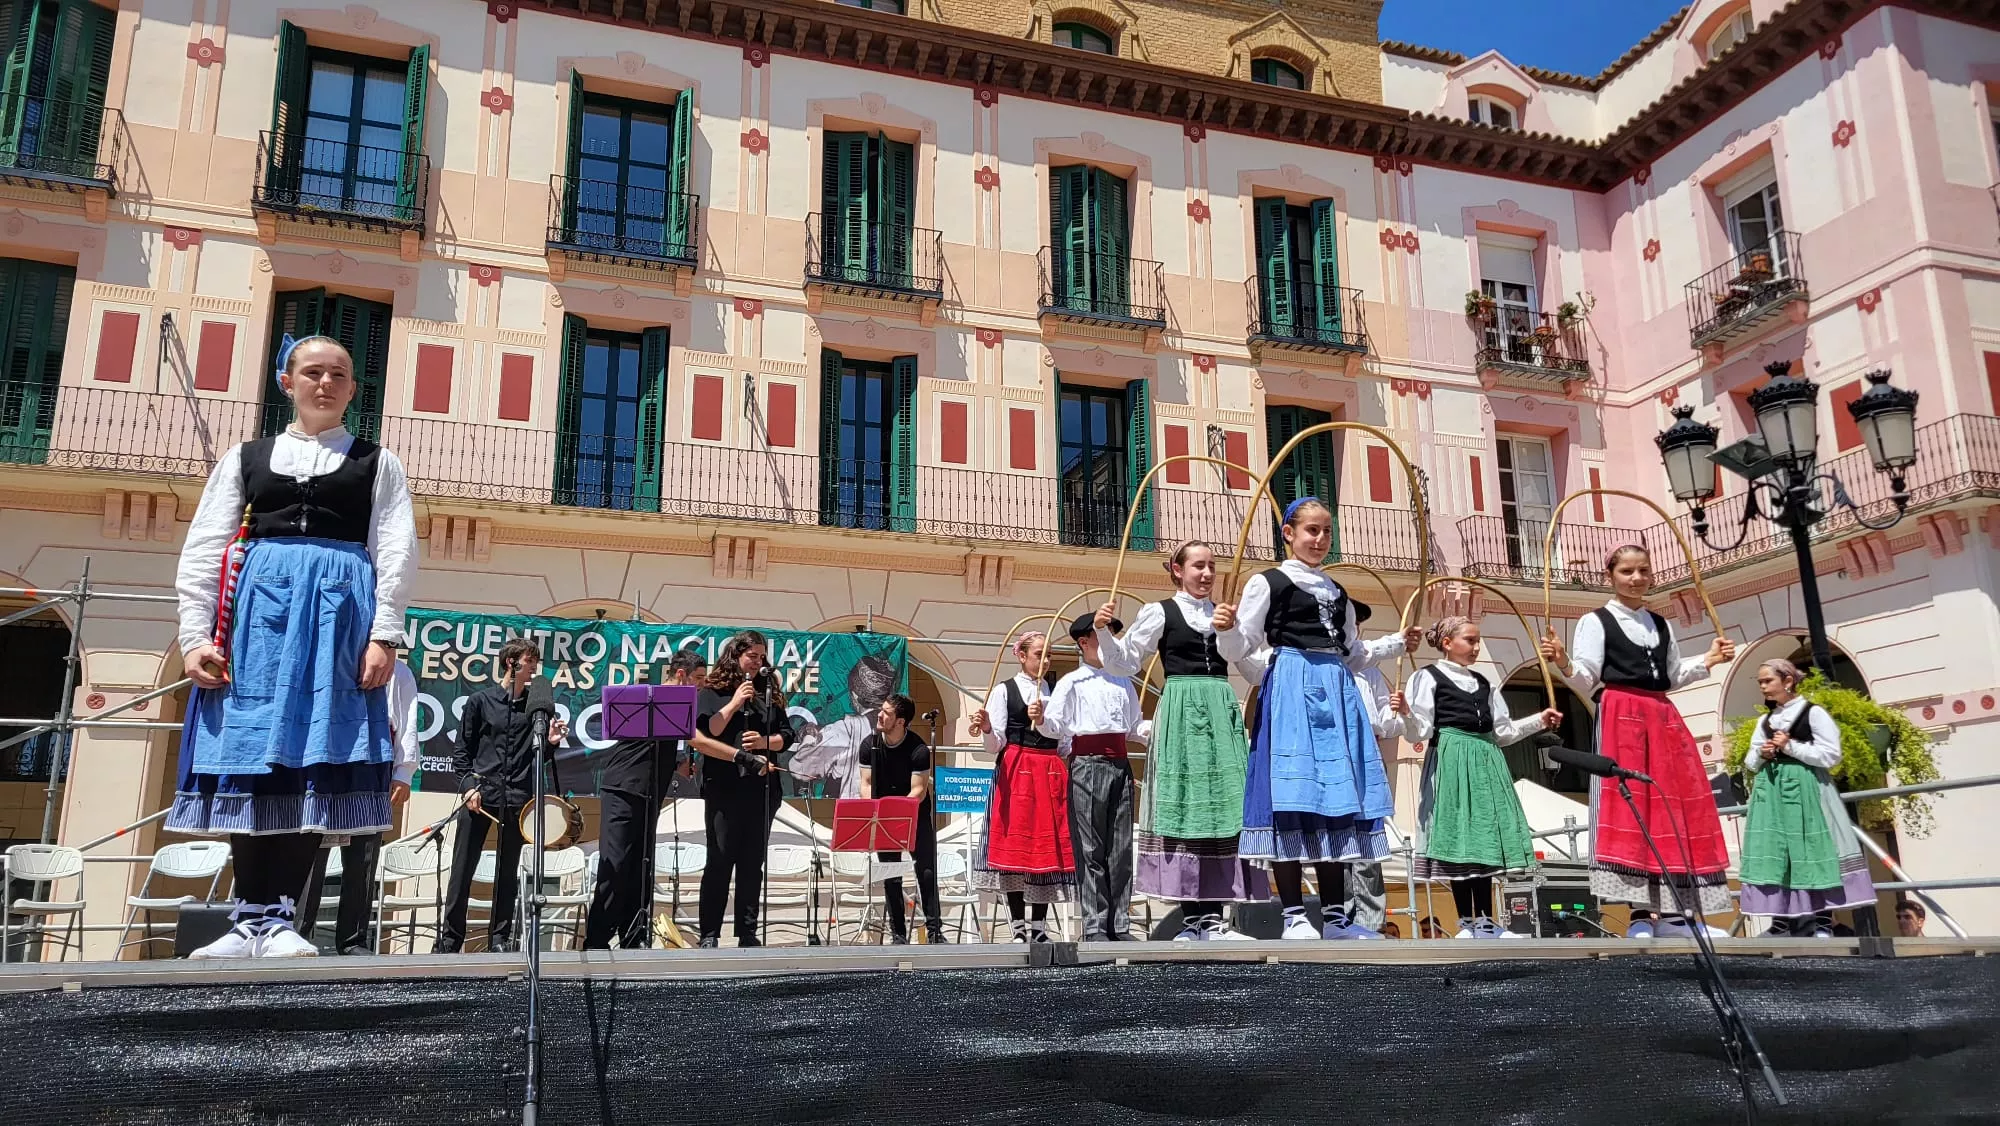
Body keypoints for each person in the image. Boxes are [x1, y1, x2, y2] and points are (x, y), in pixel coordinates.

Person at [172, 335, 416, 960]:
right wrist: (195, 635)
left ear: (353, 389)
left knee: (315, 751)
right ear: (287, 382)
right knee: (252, 749)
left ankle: (281, 916)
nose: (325, 383)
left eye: (339, 373)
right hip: (258, 624)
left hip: (338, 621)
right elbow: (205, 545)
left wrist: (384, 634)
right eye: (313, 372)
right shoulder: (245, 457)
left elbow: (394, 551)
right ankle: (247, 916)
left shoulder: (376, 463)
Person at [1216, 496, 1417, 941]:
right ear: (1288, 533)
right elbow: (1240, 648)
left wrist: (1397, 643)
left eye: (1326, 531)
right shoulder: (1267, 583)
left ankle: (1337, 918)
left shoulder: (1338, 591)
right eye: (1311, 530)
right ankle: (1293, 915)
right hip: (1290, 681)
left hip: (1334, 687)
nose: (1320, 539)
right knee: (1292, 796)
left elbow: (1353, 653)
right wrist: (1226, 628)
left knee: (1335, 800)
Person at [1540, 545, 1735, 938]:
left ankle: (1681, 915)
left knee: (1673, 806)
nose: (1636, 578)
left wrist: (1708, 661)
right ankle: (1641, 916)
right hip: (1621, 715)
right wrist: (1562, 661)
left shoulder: (1660, 623)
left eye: (1643, 570)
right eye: (1627, 571)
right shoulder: (1595, 621)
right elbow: (1585, 679)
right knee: (1631, 807)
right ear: (1610, 575)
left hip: (1662, 715)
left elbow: (1671, 675)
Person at [1093, 540, 1264, 943]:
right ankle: (1193, 919)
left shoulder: (1223, 615)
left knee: (1224, 807)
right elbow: (1124, 662)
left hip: (1220, 707)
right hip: (1183, 707)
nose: (1206, 574)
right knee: (1185, 806)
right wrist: (1102, 630)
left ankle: (1215, 919)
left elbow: (1252, 670)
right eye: (1198, 566)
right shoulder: (1159, 612)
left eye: (1211, 567)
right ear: (1177, 570)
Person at [1401, 616, 1561, 940]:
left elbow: (1502, 732)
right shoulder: (1427, 678)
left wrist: (1539, 721)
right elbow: (1419, 729)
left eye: (1477, 641)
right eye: (1470, 640)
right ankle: (1465, 922)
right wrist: (1404, 711)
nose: (1476, 647)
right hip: (1451, 756)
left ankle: (1486, 920)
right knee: (1458, 835)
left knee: (1483, 837)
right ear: (1447, 643)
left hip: (1486, 758)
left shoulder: (1485, 682)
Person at [436, 638, 569, 954]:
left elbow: (538, 757)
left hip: (517, 796)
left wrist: (550, 742)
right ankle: (451, 939)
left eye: (536, 660)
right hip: (480, 794)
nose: (535, 666)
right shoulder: (480, 701)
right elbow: (462, 751)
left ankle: (499, 938)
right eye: (529, 660)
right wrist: (468, 786)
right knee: (462, 869)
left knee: (507, 872)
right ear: (511, 662)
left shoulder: (535, 709)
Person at [1738, 659, 1876, 937]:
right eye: (1760, 682)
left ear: (1788, 681)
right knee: (1778, 853)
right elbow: (1750, 762)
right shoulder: (1765, 721)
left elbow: (1831, 755)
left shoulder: (1813, 714)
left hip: (1807, 791)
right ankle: (1780, 923)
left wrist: (1790, 747)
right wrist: (1763, 754)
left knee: (1813, 849)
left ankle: (1822, 922)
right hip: (1773, 794)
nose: (1763, 686)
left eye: (1768, 681)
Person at [1038, 613, 1150, 942]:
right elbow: (1056, 728)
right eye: (1101, 638)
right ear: (1083, 643)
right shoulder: (1072, 682)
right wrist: (1043, 718)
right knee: (1089, 848)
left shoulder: (1124, 681)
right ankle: (1094, 925)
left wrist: (1158, 729)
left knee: (1120, 847)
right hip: (1086, 763)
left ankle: (1120, 923)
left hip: (1119, 764)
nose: (1109, 644)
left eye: (1113, 638)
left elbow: (1133, 726)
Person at [585, 649, 706, 950]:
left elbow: (658, 745)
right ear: (682, 675)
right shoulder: (652, 699)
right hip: (622, 789)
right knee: (615, 862)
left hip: (651, 793)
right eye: (699, 679)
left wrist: (678, 761)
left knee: (642, 865)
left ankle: (634, 935)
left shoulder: (679, 709)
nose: (701, 685)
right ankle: (597, 939)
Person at [297, 659, 420, 954]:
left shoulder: (397, 670)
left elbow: (407, 719)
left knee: (363, 856)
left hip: (372, 761)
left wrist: (403, 772)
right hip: (325, 760)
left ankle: (352, 940)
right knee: (310, 853)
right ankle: (298, 932)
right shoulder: (327, 658)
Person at [692, 631, 798, 948]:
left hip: (761, 789)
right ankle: (710, 933)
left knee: (752, 863)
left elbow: (787, 736)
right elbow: (708, 730)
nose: (758, 661)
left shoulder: (769, 692)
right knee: (720, 860)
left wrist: (765, 743)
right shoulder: (713, 690)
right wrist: (736, 703)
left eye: (762, 656)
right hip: (723, 787)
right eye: (752, 655)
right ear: (735, 655)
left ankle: (747, 932)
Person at [967, 631, 1075, 941]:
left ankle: (1039, 928)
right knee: (1015, 851)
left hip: (1049, 770)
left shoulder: (1055, 693)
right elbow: (994, 744)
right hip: (1017, 770)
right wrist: (987, 727)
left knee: (1044, 850)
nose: (1044, 660)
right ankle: (1017, 927)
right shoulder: (1005, 691)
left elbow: (1064, 742)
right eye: (1039, 653)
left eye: (1049, 655)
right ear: (1022, 655)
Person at [859, 693, 942, 944]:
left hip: (913, 813)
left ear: (901, 722)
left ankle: (935, 931)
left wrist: (898, 813)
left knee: (926, 871)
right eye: (880, 710)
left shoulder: (917, 748)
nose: (880, 715)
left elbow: (918, 790)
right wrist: (874, 813)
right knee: (890, 873)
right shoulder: (869, 744)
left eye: (886, 712)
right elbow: (865, 784)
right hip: (883, 817)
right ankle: (898, 934)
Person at [788, 655, 899, 799]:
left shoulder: (846, 729)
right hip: (890, 805)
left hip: (854, 808)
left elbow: (800, 768)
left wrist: (809, 736)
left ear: (854, 695)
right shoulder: (900, 727)